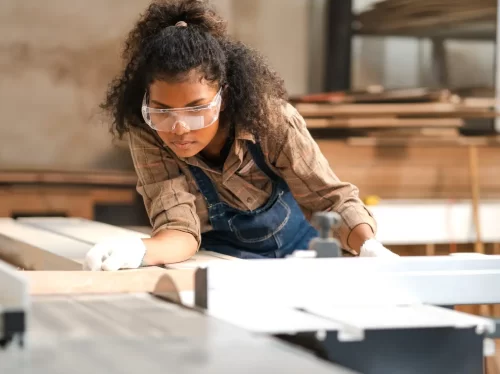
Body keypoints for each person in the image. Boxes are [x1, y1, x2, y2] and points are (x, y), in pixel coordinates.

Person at [83, 0, 398, 271]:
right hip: (226, 264)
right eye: (163, 111)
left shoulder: (271, 121)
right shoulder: (148, 133)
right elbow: (178, 229)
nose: (179, 129)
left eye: (196, 110)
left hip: (302, 255)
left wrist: (368, 245)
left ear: (225, 97)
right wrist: (140, 250)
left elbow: (330, 200)